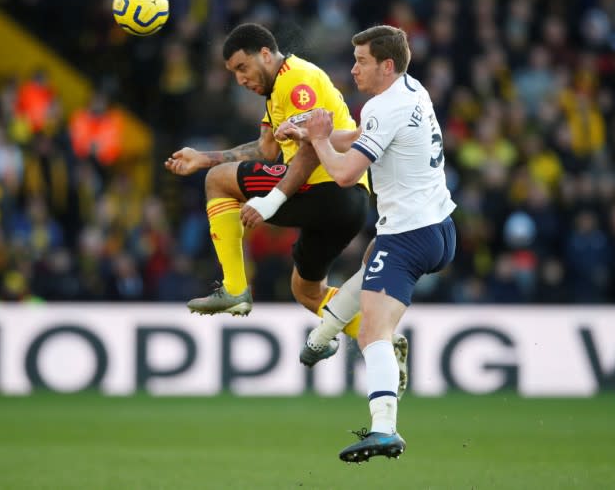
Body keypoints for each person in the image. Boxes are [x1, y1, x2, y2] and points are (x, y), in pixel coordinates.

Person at [281, 25, 456, 462]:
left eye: (362, 61)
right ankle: (322, 335)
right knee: (370, 262)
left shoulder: (384, 106)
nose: (354, 68)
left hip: (407, 236)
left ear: (387, 65)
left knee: (375, 332)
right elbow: (362, 136)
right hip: (440, 228)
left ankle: (384, 429)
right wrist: (312, 136)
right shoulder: (413, 91)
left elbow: (343, 175)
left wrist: (318, 138)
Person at [164, 23, 370, 343]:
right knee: (307, 292)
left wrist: (274, 197)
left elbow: (312, 148)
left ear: (264, 54)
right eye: (233, 72)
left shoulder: (295, 80)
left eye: (242, 67)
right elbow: (265, 149)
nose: (240, 79)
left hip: (327, 186)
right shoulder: (277, 92)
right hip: (348, 205)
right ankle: (380, 336)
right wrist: (202, 158)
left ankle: (234, 289)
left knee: (218, 181)